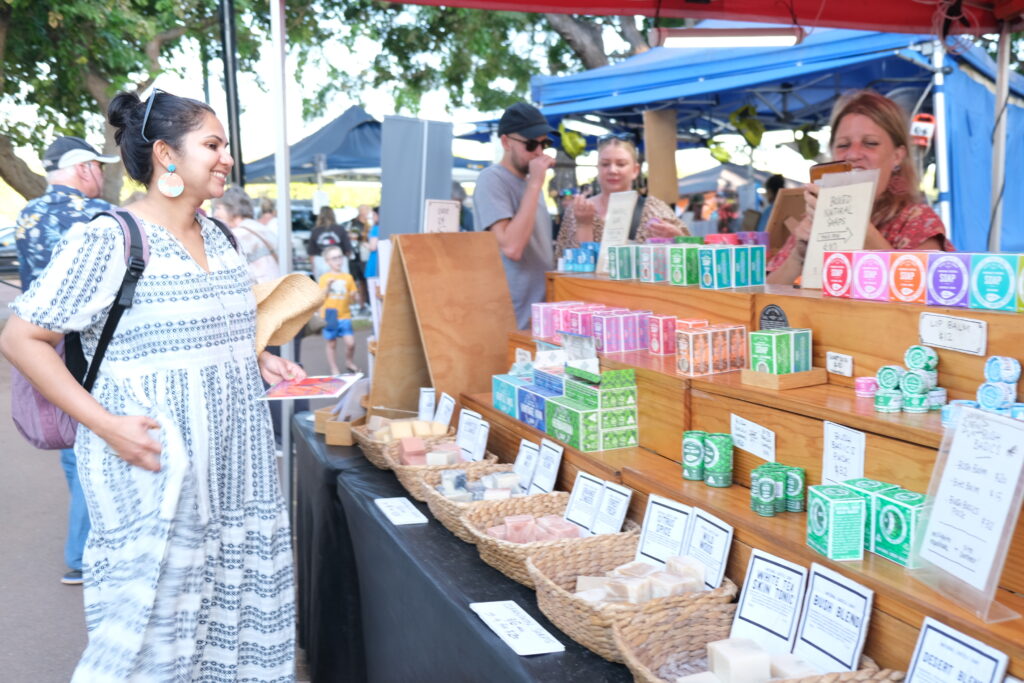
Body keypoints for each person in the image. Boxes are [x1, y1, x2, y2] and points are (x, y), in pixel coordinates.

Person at [0, 89, 304, 681]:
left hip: (235, 477)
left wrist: (258, 358)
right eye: (212, 145)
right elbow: (19, 339)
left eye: (225, 146)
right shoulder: (109, 239)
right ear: (166, 155)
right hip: (153, 478)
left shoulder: (221, 238)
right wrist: (106, 425)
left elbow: (220, 331)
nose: (226, 159)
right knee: (151, 643)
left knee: (232, 628)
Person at [13, 135, 119, 586]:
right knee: (93, 439)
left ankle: (84, 546)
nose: (101, 173)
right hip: (83, 346)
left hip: (36, 341)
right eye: (98, 166)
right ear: (83, 170)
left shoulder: (27, 214)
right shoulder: (97, 218)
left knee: (69, 439)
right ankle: (84, 551)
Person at [767, 91, 951, 284]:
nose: (853, 154)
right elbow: (767, 297)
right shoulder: (814, 219)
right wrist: (799, 256)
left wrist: (855, 224)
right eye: (843, 145)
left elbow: (923, 293)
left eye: (870, 143)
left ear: (897, 155)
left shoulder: (919, 222)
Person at [473, 101, 556, 330]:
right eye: (531, 144)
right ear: (506, 141)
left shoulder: (531, 182)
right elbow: (512, 247)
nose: (539, 152)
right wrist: (536, 183)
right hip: (512, 316)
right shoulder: (492, 179)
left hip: (540, 312)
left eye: (544, 144)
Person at [555, 135, 689, 259]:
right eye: (605, 164)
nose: (612, 170)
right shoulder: (577, 210)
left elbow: (690, 255)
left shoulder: (654, 209)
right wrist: (583, 224)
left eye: (621, 164)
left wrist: (677, 238)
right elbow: (563, 263)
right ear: (598, 168)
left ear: (635, 170)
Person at [213, 186, 280, 283]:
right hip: (276, 289)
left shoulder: (237, 235)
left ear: (232, 208)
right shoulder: (262, 229)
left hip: (259, 293)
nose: (215, 214)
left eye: (218, 208)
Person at [319, 245, 360, 374]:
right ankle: (334, 368)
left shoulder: (348, 277)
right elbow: (320, 297)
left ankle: (349, 361)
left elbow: (354, 296)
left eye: (340, 257)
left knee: (351, 343)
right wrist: (328, 286)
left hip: (344, 315)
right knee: (331, 344)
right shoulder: (324, 278)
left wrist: (355, 296)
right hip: (330, 314)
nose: (338, 261)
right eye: (334, 258)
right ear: (327, 261)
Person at [308, 206, 352, 279]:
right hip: (338, 260)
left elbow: (311, 253)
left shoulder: (315, 230)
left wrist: (313, 266)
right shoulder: (340, 229)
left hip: (321, 260)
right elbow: (348, 249)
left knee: (323, 286)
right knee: (341, 286)